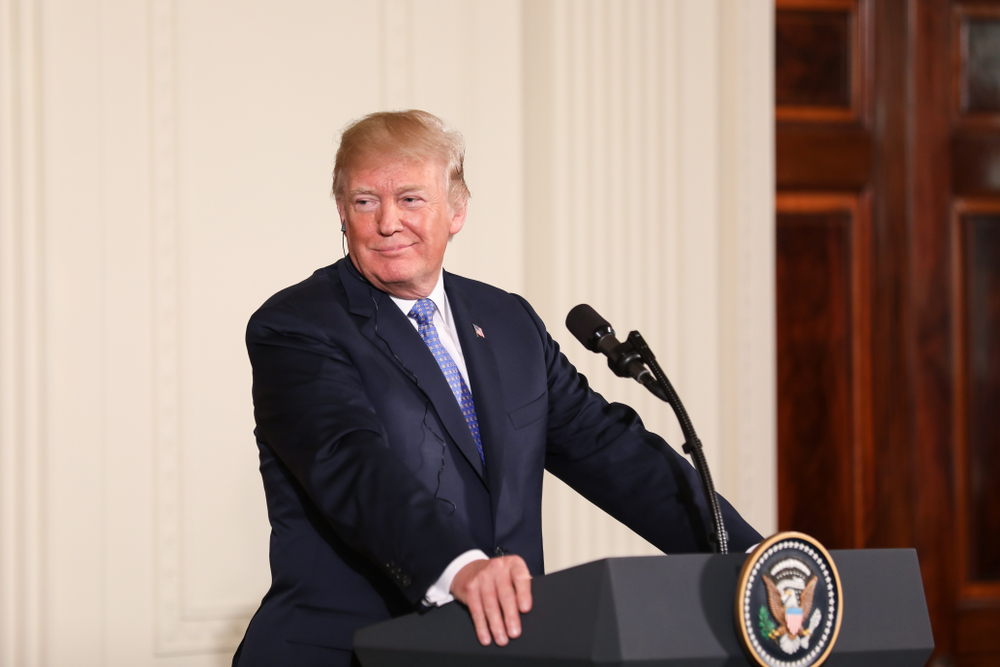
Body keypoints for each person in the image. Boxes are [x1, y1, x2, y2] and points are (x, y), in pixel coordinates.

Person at [232, 110, 761, 667]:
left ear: (456, 210)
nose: (387, 222)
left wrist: (744, 558)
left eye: (411, 199)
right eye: (365, 201)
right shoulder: (296, 326)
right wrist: (462, 568)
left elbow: (611, 450)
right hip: (346, 651)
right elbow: (353, 464)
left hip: (493, 649)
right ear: (341, 211)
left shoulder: (507, 322)